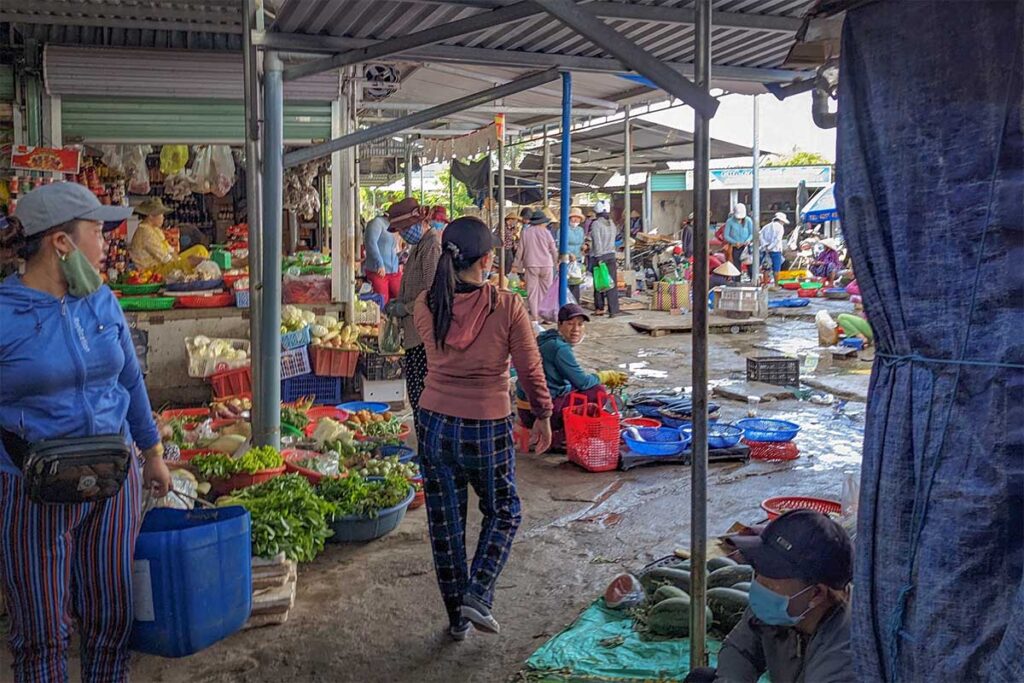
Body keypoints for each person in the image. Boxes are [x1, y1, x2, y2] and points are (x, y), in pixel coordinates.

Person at [0, 183, 171, 683]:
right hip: (32, 488)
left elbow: (130, 379)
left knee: (109, 618)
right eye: (97, 232)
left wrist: (152, 450)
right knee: (42, 630)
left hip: (111, 480)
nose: (106, 244)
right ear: (61, 243)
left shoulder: (100, 302)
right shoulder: (6, 315)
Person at [413, 217, 553, 641]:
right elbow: (529, 368)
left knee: (446, 523)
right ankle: (478, 593)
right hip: (486, 426)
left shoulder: (426, 303)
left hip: (434, 423)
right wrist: (542, 414)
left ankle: (457, 618)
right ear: (488, 259)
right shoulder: (507, 306)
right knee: (505, 510)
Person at [685, 509, 854, 683]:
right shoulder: (787, 606)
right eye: (757, 572)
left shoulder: (845, 659)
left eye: (771, 580)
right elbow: (741, 649)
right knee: (702, 678)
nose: (759, 583)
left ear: (816, 593)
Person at [515, 304, 622, 450]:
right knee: (597, 391)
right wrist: (604, 376)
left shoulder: (547, 338)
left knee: (578, 388)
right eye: (570, 324)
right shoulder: (559, 348)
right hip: (538, 412)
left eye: (580, 324)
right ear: (559, 324)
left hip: (526, 408)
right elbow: (583, 383)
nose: (576, 329)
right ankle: (558, 437)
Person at [383, 198, 441, 415]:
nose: (403, 234)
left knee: (422, 397)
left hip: (422, 335)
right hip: (413, 332)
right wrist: (399, 301)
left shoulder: (431, 246)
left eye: (404, 229)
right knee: (416, 394)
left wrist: (404, 308)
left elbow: (430, 293)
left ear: (418, 222)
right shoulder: (419, 246)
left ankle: (426, 446)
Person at [128, 197, 208, 274]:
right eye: (161, 215)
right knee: (191, 262)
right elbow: (165, 258)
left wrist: (179, 259)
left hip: (163, 265)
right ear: (151, 216)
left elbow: (170, 250)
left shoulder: (155, 229)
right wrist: (182, 262)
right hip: (152, 271)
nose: (163, 218)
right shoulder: (145, 231)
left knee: (200, 249)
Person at [512, 209, 559, 322]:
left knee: (532, 292)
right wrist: (556, 262)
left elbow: (520, 250)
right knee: (546, 291)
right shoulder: (546, 232)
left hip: (531, 264)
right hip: (546, 264)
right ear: (543, 222)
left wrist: (515, 265)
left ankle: (535, 316)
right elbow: (553, 249)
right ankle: (546, 316)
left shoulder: (525, 232)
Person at [586, 200, 620, 317]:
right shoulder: (612, 224)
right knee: (611, 284)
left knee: (599, 283)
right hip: (611, 255)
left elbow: (597, 242)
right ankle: (613, 310)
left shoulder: (596, 224)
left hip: (600, 256)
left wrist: (599, 257)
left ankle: (599, 308)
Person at [363, 210, 400, 305]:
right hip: (378, 271)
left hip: (394, 270)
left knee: (399, 297)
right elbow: (371, 243)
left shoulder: (396, 226)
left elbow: (396, 248)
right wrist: (379, 263)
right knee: (382, 300)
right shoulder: (377, 223)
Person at [723, 202, 754, 279]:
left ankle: (752, 280)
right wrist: (734, 242)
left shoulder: (748, 220)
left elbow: (752, 233)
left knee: (750, 265)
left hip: (747, 247)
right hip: (736, 247)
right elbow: (726, 235)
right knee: (736, 265)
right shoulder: (730, 222)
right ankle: (737, 281)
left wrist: (748, 240)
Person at [760, 211, 789, 284]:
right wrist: (770, 247)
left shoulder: (766, 227)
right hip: (776, 250)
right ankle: (776, 285)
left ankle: (765, 284)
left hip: (765, 250)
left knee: (766, 268)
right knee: (776, 269)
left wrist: (766, 246)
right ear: (781, 220)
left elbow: (760, 236)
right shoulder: (780, 227)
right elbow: (777, 239)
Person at [564, 207, 587, 302]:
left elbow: (582, 241)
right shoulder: (564, 229)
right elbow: (560, 244)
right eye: (573, 217)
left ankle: (575, 302)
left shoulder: (580, 230)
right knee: (567, 281)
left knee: (576, 281)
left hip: (578, 258)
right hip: (566, 259)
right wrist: (569, 253)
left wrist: (584, 246)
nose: (575, 220)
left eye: (577, 218)